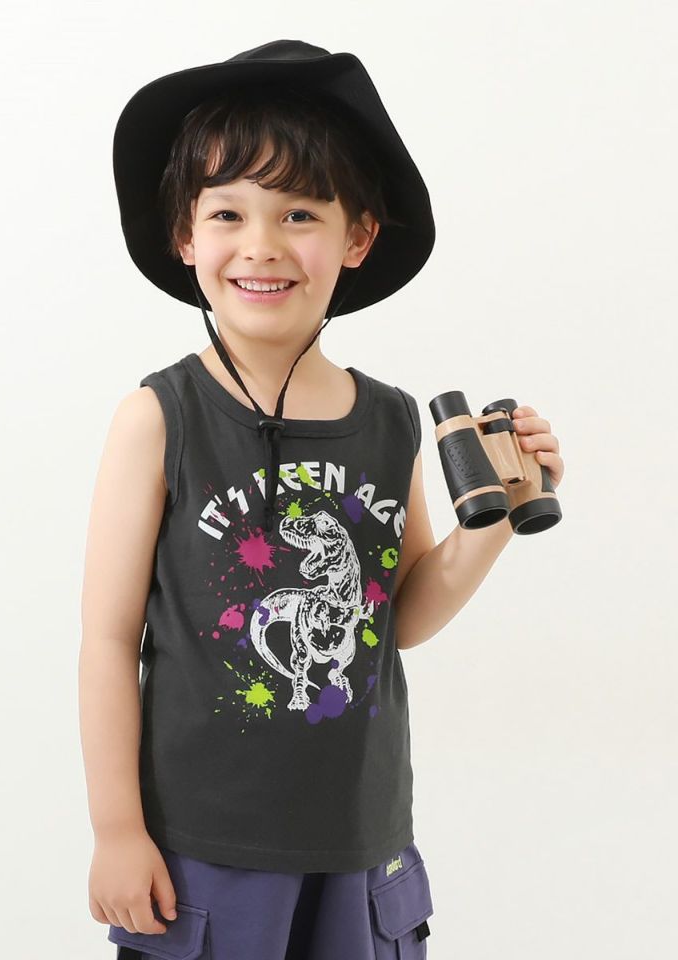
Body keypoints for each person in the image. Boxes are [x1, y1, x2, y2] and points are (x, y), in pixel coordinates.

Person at [78, 39, 564, 960]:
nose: (261, 244)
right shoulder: (159, 417)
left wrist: (494, 521)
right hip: (201, 850)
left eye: (299, 213)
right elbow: (108, 639)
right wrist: (116, 830)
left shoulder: (388, 420)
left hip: (362, 845)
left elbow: (398, 615)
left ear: (357, 238)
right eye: (228, 212)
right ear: (186, 236)